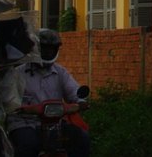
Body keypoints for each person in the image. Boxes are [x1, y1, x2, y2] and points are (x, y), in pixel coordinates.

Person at [7, 28, 90, 157]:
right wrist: (18, 108)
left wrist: (80, 102)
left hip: (55, 123)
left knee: (81, 138)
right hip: (25, 123)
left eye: (52, 48)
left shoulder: (61, 72)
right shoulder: (18, 73)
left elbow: (73, 91)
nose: (48, 51)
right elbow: (9, 99)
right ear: (36, 48)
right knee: (28, 145)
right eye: (44, 48)